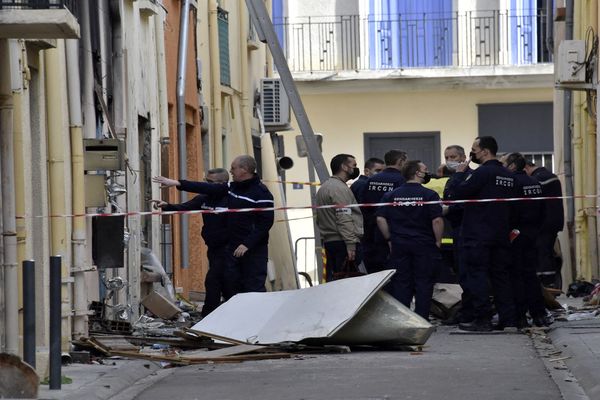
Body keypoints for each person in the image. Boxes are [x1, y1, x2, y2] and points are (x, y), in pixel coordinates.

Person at [153, 155, 274, 296]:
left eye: (233, 168)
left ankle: (255, 317)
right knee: (230, 285)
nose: (231, 171)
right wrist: (177, 183)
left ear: (244, 170)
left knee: (253, 287)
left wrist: (247, 244)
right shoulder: (232, 188)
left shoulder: (262, 193)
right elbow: (205, 188)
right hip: (233, 248)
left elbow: (265, 223)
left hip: (253, 250)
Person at [445, 136, 517, 332]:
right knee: (500, 276)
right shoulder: (508, 175)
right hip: (501, 233)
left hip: (477, 233)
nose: (472, 154)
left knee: (477, 276)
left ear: (485, 151)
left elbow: (457, 195)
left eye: (474, 150)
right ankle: (508, 320)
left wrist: (459, 175)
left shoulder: (482, 173)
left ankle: (482, 319)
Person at [151, 168, 229, 317]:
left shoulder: (231, 199)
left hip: (229, 248)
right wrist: (167, 206)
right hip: (213, 247)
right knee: (219, 282)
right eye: (206, 181)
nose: (207, 185)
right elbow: (185, 207)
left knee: (215, 281)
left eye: (210, 183)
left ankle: (210, 316)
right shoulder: (204, 198)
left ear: (222, 183)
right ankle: (218, 316)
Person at [377, 160, 444, 320]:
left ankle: (404, 319)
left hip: (400, 245)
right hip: (424, 244)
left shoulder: (391, 195)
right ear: (417, 173)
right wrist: (438, 241)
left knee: (402, 282)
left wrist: (389, 239)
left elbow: (380, 218)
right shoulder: (429, 194)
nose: (427, 173)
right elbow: (437, 220)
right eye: (425, 170)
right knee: (424, 282)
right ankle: (422, 319)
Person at [502, 153, 549, 327]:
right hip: (532, 234)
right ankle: (538, 314)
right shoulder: (535, 182)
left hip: (515, 234)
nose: (502, 167)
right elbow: (544, 209)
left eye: (504, 164)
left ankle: (520, 316)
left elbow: (508, 210)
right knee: (531, 274)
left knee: (516, 275)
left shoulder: (511, 183)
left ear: (513, 165)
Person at [316, 154, 364, 281]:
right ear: (344, 167)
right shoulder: (339, 189)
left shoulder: (324, 188)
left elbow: (319, 218)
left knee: (337, 279)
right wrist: (350, 244)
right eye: (354, 165)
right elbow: (344, 217)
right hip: (343, 242)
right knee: (347, 281)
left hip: (331, 241)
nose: (356, 169)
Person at [359, 150, 408, 273]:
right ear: (400, 161)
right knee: (395, 269)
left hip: (372, 230)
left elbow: (364, 204)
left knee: (375, 270)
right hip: (394, 231)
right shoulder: (401, 180)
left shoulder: (371, 180)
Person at [524, 161, 565, 289]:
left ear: (526, 167)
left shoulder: (539, 178)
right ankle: (550, 283)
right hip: (553, 220)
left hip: (545, 222)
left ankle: (547, 283)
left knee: (542, 252)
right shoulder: (549, 175)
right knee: (547, 252)